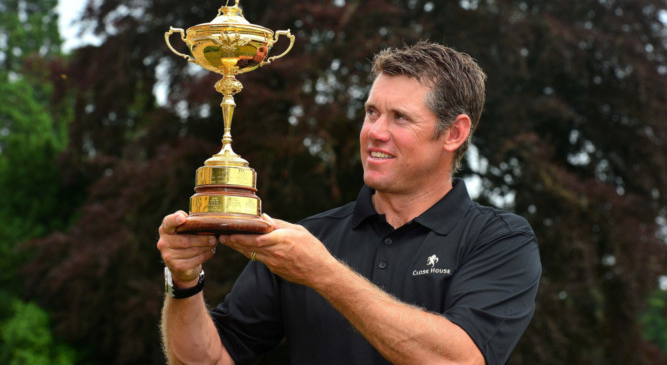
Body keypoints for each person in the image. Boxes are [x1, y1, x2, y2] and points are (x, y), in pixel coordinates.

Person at [157, 41, 541, 365]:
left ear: (454, 133)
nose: (374, 132)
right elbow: (206, 360)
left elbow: (460, 359)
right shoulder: (308, 239)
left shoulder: (500, 240)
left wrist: (322, 273)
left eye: (400, 118)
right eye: (371, 112)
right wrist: (185, 282)